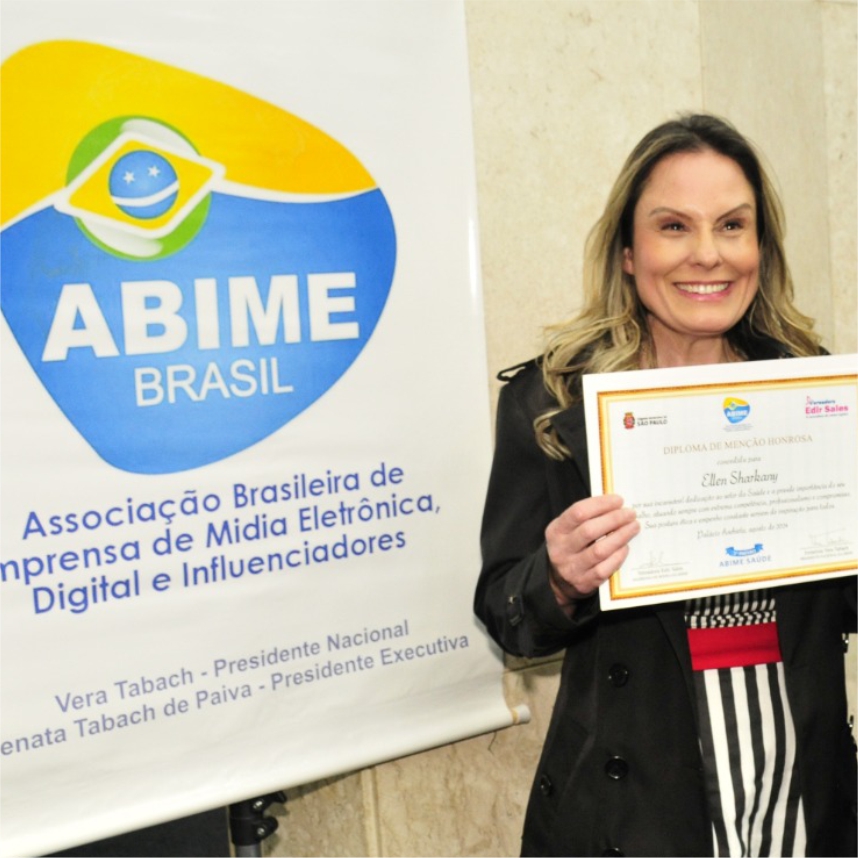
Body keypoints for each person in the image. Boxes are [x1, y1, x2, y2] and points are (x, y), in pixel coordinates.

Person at [474, 113, 857, 858]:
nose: (707, 255)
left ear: (761, 247)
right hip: (633, 807)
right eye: (674, 226)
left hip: (800, 790)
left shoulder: (814, 395)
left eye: (732, 225)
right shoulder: (552, 402)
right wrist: (556, 579)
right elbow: (504, 614)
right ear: (627, 250)